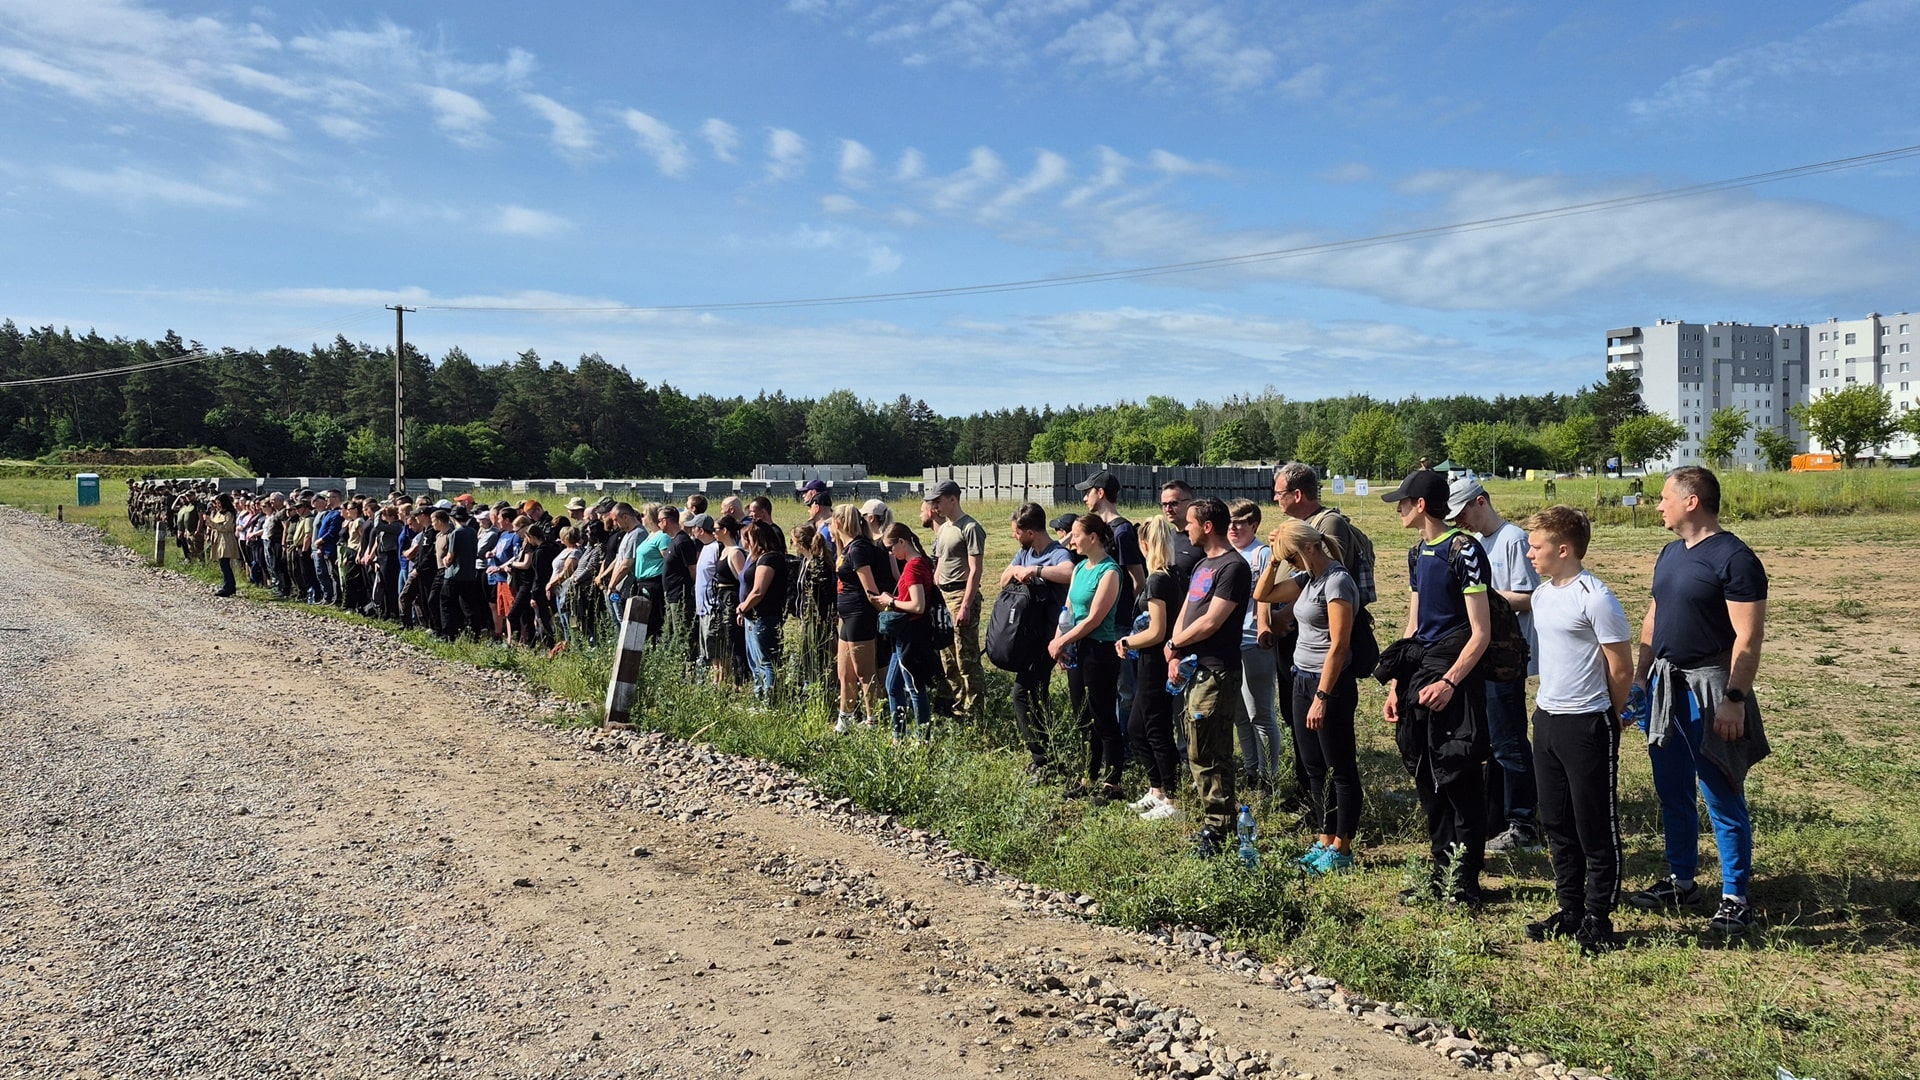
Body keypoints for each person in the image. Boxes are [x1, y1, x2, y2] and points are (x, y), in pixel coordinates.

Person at [1626, 466, 1770, 936]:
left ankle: (1735, 897)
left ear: (1692, 502)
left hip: (1710, 691)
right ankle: (1682, 881)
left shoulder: (1735, 559)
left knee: (1721, 793)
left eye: (1664, 497)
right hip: (1665, 687)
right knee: (1672, 791)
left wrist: (1734, 699)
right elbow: (1653, 618)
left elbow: (1748, 638)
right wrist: (1640, 679)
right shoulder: (1670, 553)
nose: (1657, 505)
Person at [1521, 505, 1633, 954]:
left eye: (1537, 546)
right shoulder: (1541, 595)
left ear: (1563, 549)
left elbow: (1621, 667)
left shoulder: (1596, 598)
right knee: (1556, 821)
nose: (1530, 553)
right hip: (1547, 719)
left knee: (1594, 825)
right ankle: (1569, 911)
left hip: (1587, 722)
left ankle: (1598, 918)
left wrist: (1610, 713)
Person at [1378, 470, 1493, 907]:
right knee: (1427, 774)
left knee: (1459, 774)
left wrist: (1450, 681)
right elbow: (1414, 624)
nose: (1399, 509)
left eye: (1403, 502)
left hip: (1453, 678)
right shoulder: (1416, 553)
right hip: (1419, 676)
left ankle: (1465, 880)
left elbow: (1480, 632)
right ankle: (1440, 873)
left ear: (1422, 505)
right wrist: (1397, 683)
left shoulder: (1464, 550)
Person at [1258, 519, 1362, 874]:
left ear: (1310, 548)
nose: (1291, 564)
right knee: (1314, 767)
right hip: (1300, 677)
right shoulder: (1308, 579)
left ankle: (1342, 848)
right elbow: (1263, 595)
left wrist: (1322, 696)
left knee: (1339, 767)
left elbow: (1339, 645)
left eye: (1292, 557)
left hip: (1328, 684)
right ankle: (1324, 839)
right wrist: (1274, 559)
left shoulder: (1337, 582)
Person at [1448, 477, 1543, 854]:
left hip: (1505, 657)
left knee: (1509, 741)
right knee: (1491, 741)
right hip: (1482, 656)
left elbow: (1530, 596)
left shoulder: (1513, 540)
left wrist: (1479, 595)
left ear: (1481, 502)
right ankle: (1498, 818)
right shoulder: (1477, 543)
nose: (1461, 522)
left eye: (1463, 513)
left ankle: (1523, 823)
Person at [1165, 496, 1252, 858]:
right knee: (1196, 746)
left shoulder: (1233, 567)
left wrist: (1175, 643)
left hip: (1217, 671)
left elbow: (1212, 621)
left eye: (1190, 522)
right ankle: (1213, 823)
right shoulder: (1203, 564)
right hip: (1194, 668)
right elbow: (1188, 610)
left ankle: (1219, 829)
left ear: (1207, 526)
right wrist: (1175, 651)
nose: (1185, 528)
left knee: (1210, 750)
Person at [997, 502, 1074, 779]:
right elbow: (1003, 579)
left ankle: (1044, 759)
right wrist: (1018, 570)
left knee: (1021, 693)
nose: (1014, 536)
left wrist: (1036, 572)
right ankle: (1048, 755)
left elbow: (1069, 572)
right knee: (1037, 695)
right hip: (1026, 636)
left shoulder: (1057, 553)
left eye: (1017, 532)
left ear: (1031, 532)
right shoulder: (1025, 552)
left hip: (1049, 638)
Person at [1052, 514, 1124, 800]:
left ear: (1093, 537)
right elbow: (1068, 610)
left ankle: (1112, 782)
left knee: (1102, 715)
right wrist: (1059, 640)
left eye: (1076, 535)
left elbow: (1094, 619)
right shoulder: (1081, 567)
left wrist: (1063, 640)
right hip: (1077, 647)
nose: (1071, 540)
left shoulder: (1110, 571)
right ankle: (1088, 777)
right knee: (1082, 715)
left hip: (1099, 650)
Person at [1119, 514, 1181, 820]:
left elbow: (1157, 631)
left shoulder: (1157, 580)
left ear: (1144, 545)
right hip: (1150, 661)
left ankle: (1173, 799)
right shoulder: (1170, 575)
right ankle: (1157, 790)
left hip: (1155, 661)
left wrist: (1127, 642)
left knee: (1156, 728)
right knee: (1137, 727)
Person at [1078, 470, 1146, 729]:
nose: (1085, 497)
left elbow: (1138, 579)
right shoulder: (1101, 531)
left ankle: (1127, 740)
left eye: (1088, 492)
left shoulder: (1122, 531)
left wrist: (1129, 614)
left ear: (1101, 493)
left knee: (1125, 688)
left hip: (1120, 622)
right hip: (1103, 622)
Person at [1227, 498, 1282, 794]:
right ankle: (1251, 771)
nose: (1233, 528)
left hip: (1253, 641)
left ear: (1254, 525)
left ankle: (1268, 777)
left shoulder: (1261, 554)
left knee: (1260, 714)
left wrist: (1264, 626)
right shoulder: (1225, 553)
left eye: (1240, 523)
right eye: (1230, 523)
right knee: (1239, 714)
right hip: (1228, 644)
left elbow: (1267, 597)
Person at [928, 480, 988, 718]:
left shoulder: (970, 528)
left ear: (953, 499)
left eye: (938, 501)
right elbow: (940, 562)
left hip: (961, 594)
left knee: (966, 657)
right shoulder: (944, 528)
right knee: (948, 657)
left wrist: (965, 605)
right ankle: (958, 705)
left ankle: (974, 712)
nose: (935, 507)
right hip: (944, 596)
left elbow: (975, 569)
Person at [874, 523, 939, 739]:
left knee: (914, 688)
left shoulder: (912, 568)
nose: (890, 553)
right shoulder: (920, 562)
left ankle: (923, 738)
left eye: (890, 548)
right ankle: (898, 736)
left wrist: (891, 601)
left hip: (911, 632)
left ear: (902, 542)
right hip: (908, 633)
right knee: (893, 686)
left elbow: (918, 605)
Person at [832, 502, 885, 731]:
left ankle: (874, 720)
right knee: (844, 673)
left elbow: (870, 589)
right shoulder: (847, 548)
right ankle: (845, 719)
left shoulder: (859, 549)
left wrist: (886, 613)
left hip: (860, 615)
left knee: (864, 673)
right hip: (847, 616)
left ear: (838, 523)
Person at [735, 519, 789, 701]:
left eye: (747, 537)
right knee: (754, 660)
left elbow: (758, 590)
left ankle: (770, 699)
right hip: (751, 616)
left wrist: (743, 606)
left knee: (766, 661)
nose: (744, 541)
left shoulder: (769, 559)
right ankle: (759, 696)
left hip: (764, 616)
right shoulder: (755, 558)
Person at [792, 522, 836, 697]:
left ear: (801, 543)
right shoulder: (805, 561)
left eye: (793, 541)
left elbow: (826, 594)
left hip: (816, 617)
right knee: (807, 656)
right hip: (806, 616)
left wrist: (824, 616)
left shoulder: (818, 564)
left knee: (815, 656)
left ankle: (819, 691)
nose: (792, 545)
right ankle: (811, 689)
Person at [208, 492, 241, 597]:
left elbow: (226, 528)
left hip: (226, 539)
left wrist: (211, 523)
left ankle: (228, 586)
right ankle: (229, 585)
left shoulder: (229, 514)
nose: (217, 505)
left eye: (219, 503)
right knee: (222, 564)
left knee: (225, 563)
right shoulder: (219, 513)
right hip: (218, 539)